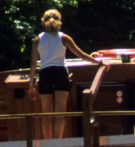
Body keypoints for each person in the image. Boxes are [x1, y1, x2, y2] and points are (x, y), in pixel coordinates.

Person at [30, 9, 98, 140]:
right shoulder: (64, 38)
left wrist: (30, 86)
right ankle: (57, 143)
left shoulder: (37, 40)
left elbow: (33, 64)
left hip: (45, 74)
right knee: (60, 113)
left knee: (46, 114)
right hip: (61, 73)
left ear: (44, 21)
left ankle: (48, 145)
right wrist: (98, 62)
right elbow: (82, 55)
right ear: (59, 21)